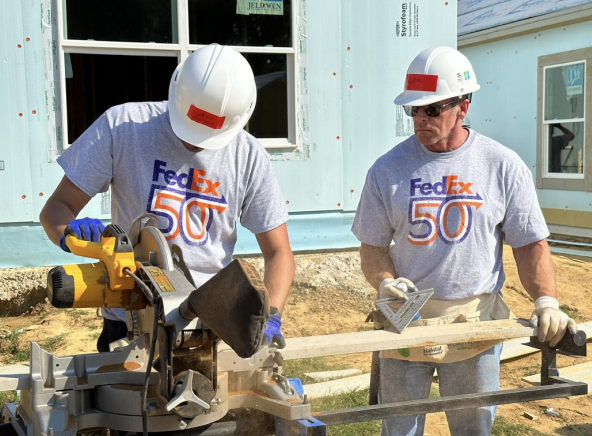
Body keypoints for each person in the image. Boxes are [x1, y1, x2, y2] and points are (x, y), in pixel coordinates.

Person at [351, 46, 577, 436]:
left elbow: (529, 245)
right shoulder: (386, 170)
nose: (421, 119)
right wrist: (386, 283)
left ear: (463, 106)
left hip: (474, 320)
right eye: (414, 110)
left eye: (432, 109)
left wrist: (546, 300)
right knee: (399, 429)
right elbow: (372, 249)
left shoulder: (501, 165)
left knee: (472, 427)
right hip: (406, 318)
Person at [40, 43, 294, 353]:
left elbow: (279, 252)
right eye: (190, 128)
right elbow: (56, 208)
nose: (195, 142)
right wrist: (69, 234)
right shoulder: (123, 128)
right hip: (132, 318)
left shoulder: (248, 155)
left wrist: (271, 315)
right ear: (178, 95)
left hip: (210, 324)